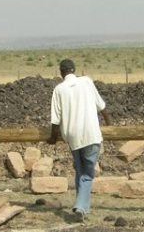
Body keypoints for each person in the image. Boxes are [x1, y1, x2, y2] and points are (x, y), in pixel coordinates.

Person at [47, 58, 111, 222]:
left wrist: (53, 139)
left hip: (74, 138)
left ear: (61, 72)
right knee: (87, 174)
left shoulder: (59, 89)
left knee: (80, 171)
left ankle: (80, 206)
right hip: (91, 134)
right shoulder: (87, 82)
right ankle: (80, 208)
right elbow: (102, 107)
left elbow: (55, 121)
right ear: (74, 70)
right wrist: (110, 125)